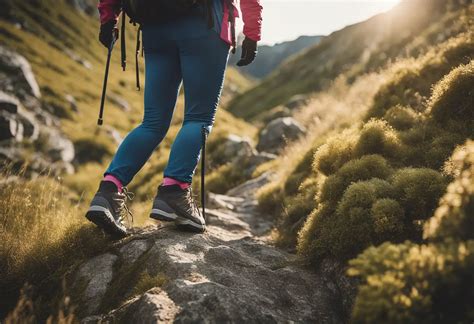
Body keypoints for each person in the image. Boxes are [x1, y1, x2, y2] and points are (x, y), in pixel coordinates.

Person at [85, 0, 263, 237]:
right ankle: (175, 192)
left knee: (153, 122)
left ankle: (108, 191)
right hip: (204, 21)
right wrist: (252, 32)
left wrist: (108, 19)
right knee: (198, 118)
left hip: (154, 26)